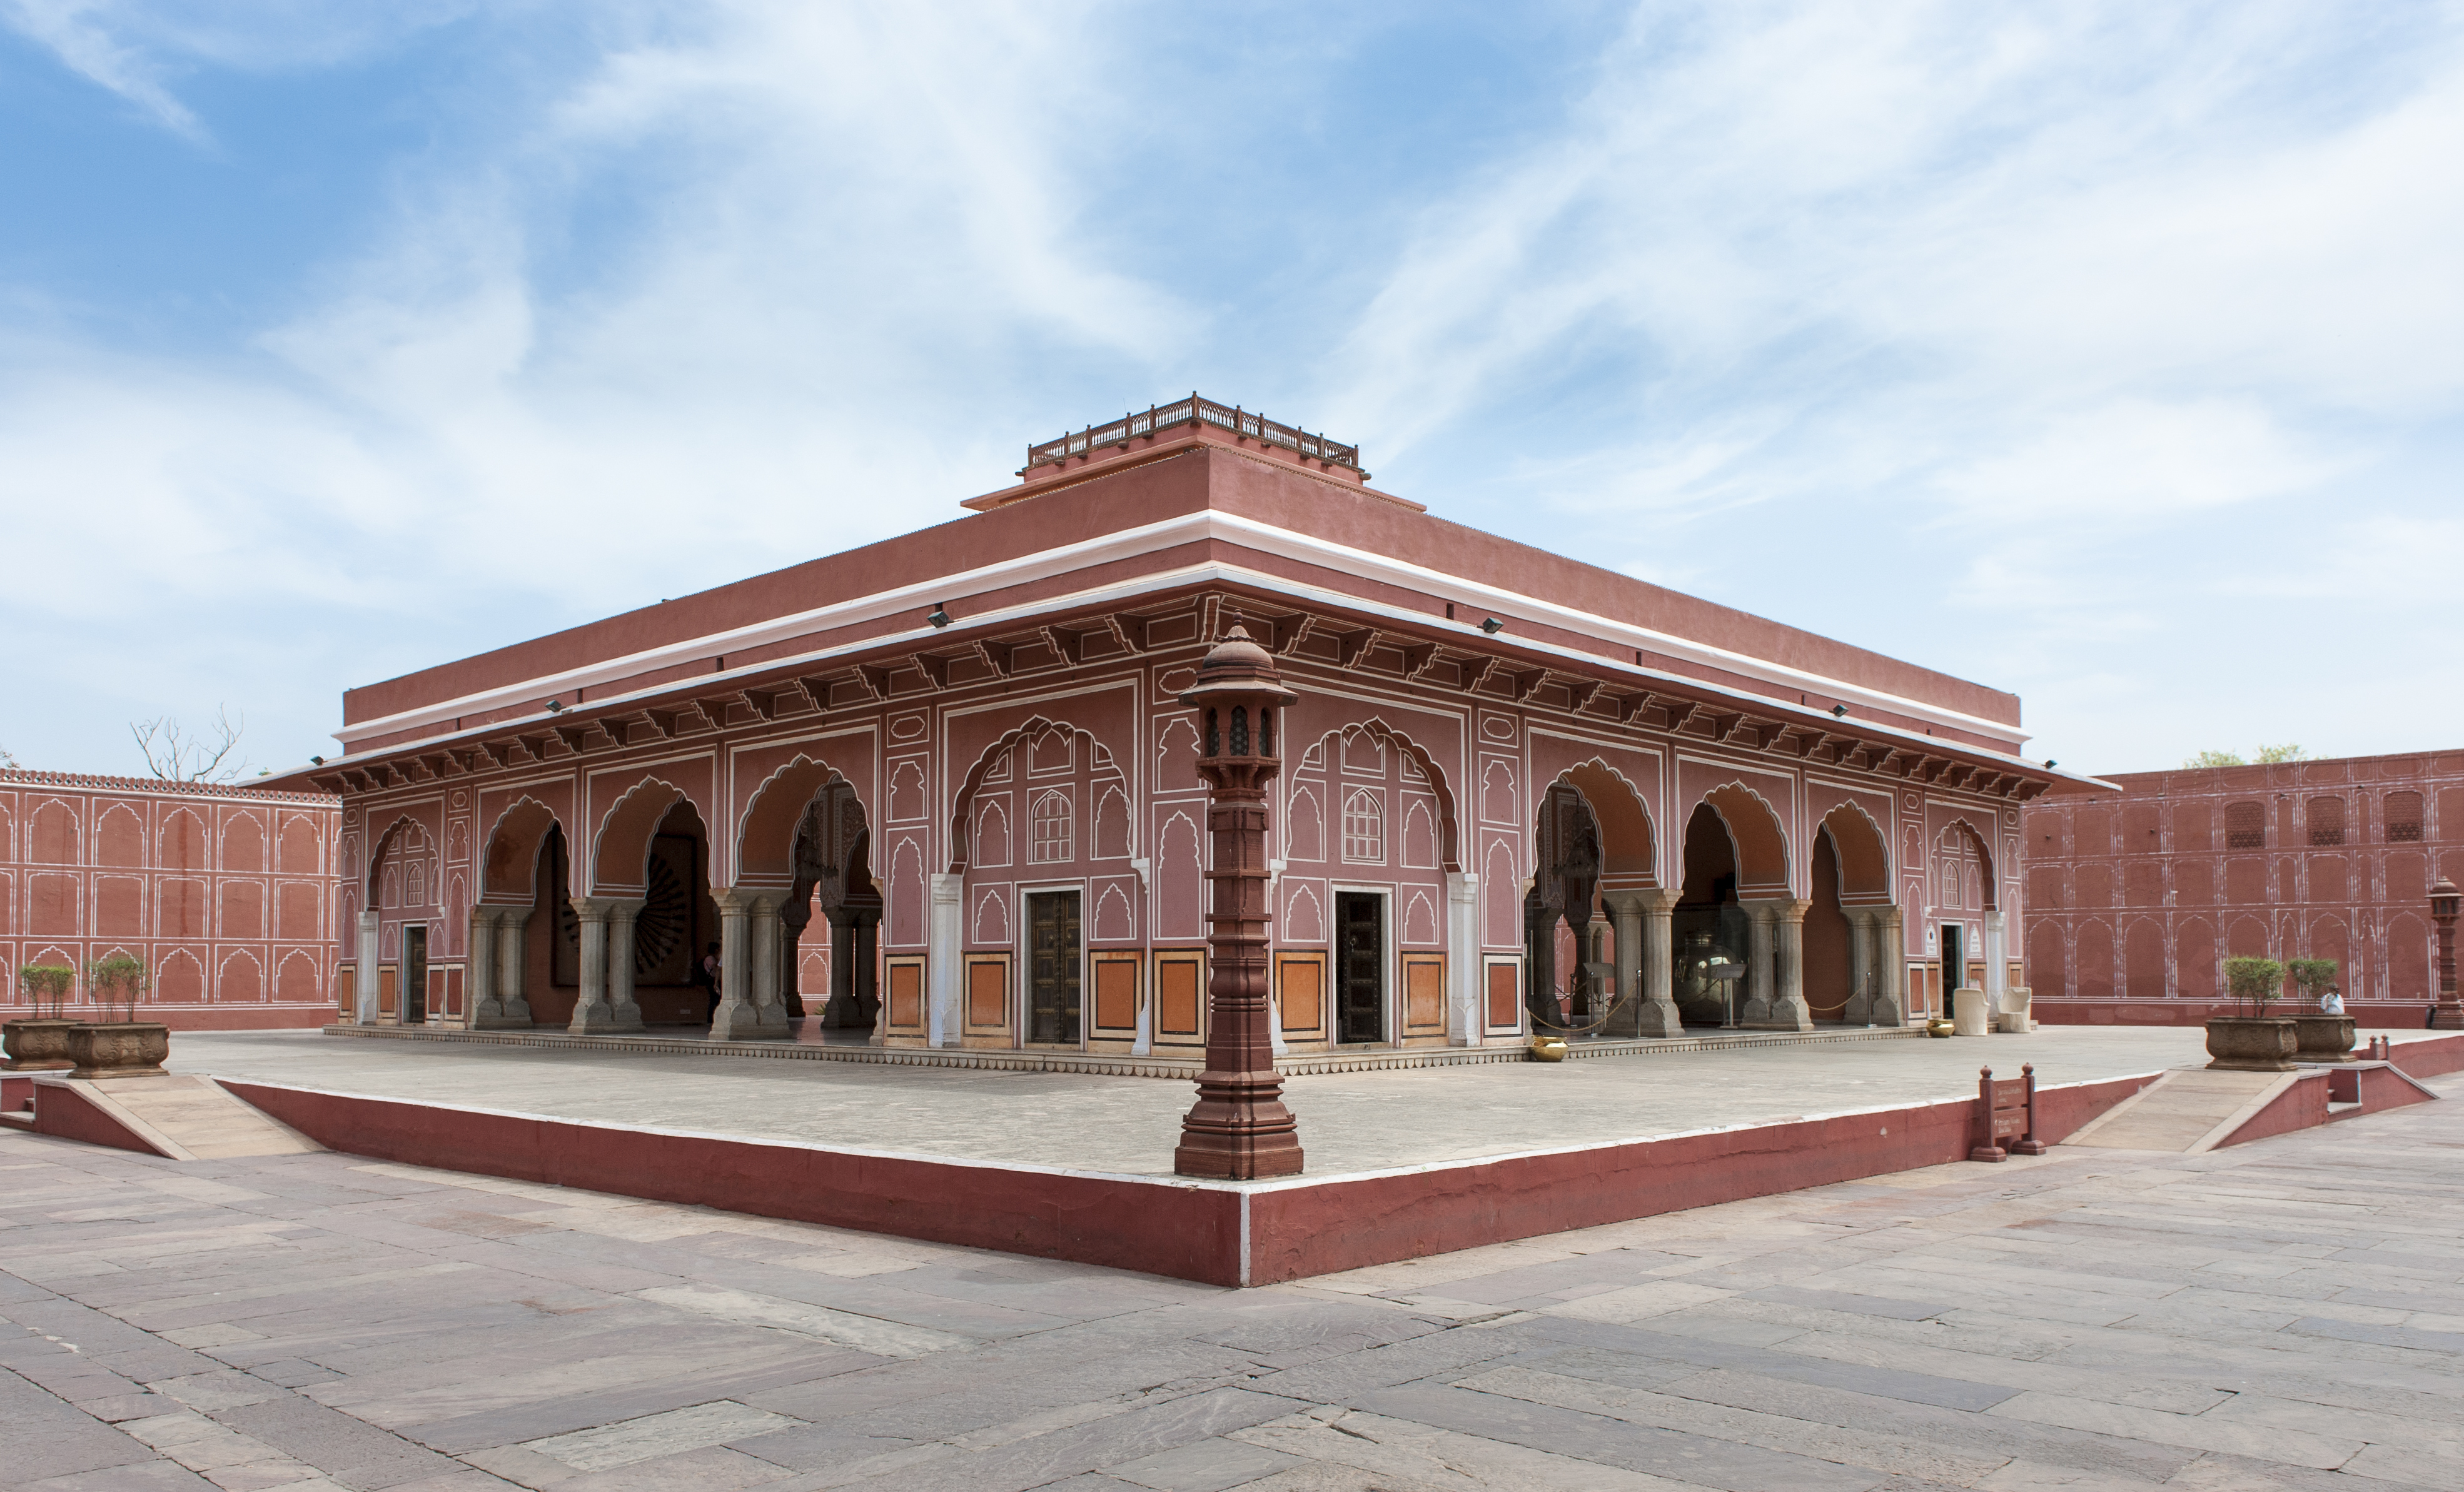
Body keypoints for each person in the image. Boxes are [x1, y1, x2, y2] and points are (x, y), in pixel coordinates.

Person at [695, 942, 722, 1024]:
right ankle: (711, 1019)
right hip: (711, 981)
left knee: (714, 999)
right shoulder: (710, 958)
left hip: (711, 981)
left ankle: (711, 1018)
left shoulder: (711, 958)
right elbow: (716, 968)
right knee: (715, 1000)